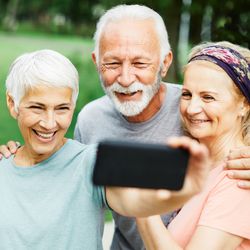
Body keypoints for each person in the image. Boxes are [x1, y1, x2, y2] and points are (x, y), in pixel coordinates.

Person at [1, 4, 250, 250]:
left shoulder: (191, 114)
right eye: (112, 64)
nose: (126, 78)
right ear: (96, 62)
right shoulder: (91, 120)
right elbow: (70, 182)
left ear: (165, 63)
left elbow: (235, 123)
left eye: (140, 64)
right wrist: (15, 160)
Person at [0, 49, 210, 250]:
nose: (49, 123)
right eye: (37, 107)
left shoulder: (91, 162)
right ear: (12, 103)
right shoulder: (4, 165)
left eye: (62, 108)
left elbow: (134, 201)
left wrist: (183, 190)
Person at [136, 41, 250, 249]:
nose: (192, 108)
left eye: (208, 97)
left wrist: (143, 206)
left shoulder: (239, 180)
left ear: (243, 105)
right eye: (187, 95)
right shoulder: (200, 168)